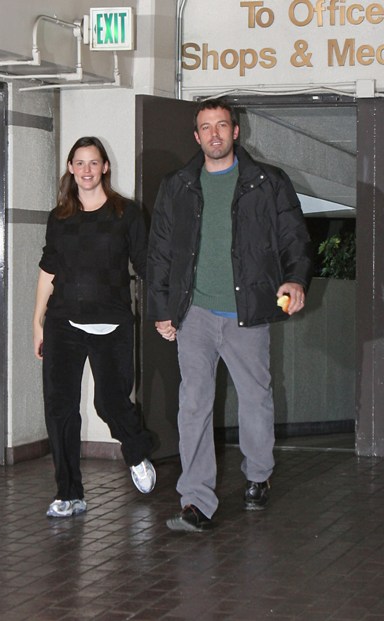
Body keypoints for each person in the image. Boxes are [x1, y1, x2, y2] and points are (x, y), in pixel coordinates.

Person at [147, 99, 313, 532]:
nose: (215, 134)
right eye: (206, 127)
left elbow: (294, 238)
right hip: (195, 313)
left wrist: (295, 279)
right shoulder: (178, 185)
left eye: (222, 125)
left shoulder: (267, 181)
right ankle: (196, 500)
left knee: (255, 399)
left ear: (236, 132)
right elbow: (160, 250)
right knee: (193, 405)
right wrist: (162, 309)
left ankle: (258, 473)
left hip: (248, 311)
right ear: (196, 136)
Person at [33, 136, 156, 519]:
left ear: (105, 167)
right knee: (60, 408)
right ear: (71, 169)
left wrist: (165, 309)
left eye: (93, 162)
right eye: (79, 163)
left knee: (110, 402)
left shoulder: (127, 214)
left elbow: (146, 265)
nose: (86, 170)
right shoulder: (59, 218)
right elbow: (49, 269)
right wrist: (37, 321)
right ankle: (69, 493)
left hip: (112, 323)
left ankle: (136, 452)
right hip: (62, 322)